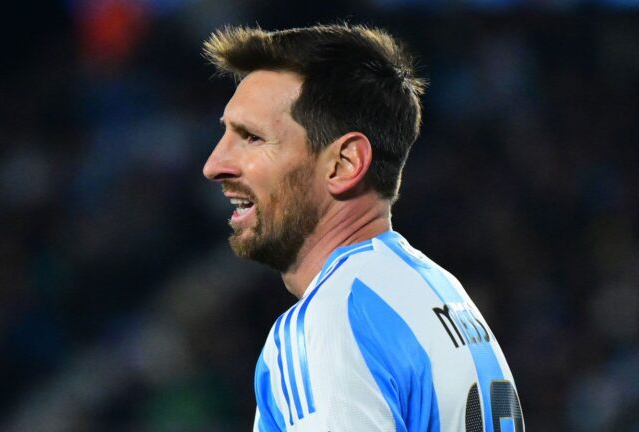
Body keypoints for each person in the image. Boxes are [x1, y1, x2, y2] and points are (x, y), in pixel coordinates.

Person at [202, 24, 524, 432]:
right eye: (226, 133)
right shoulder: (440, 293)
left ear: (345, 163)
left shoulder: (328, 323)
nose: (214, 165)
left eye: (251, 137)